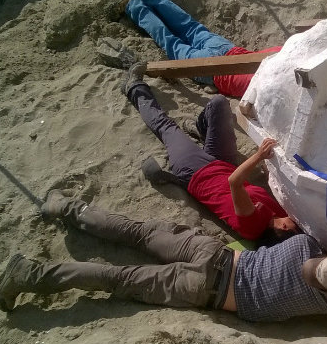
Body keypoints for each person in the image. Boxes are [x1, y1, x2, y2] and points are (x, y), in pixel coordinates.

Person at [0, 192, 327, 322]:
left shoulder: (302, 248)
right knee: (118, 279)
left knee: (136, 232)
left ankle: (64, 207)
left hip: (215, 255)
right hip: (206, 291)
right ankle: (30, 275)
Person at [122, 62, 298, 242]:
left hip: (197, 173)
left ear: (284, 227)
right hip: (224, 164)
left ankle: (134, 88)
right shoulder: (280, 215)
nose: (295, 222)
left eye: (294, 226)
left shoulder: (253, 226)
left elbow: (234, 182)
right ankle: (201, 130)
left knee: (165, 127)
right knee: (219, 103)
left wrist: (259, 155)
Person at [121, 0, 280, 98]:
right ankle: (133, 4)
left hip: (225, 48)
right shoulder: (271, 90)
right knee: (170, 42)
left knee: (189, 26)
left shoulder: (286, 56)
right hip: (211, 70)